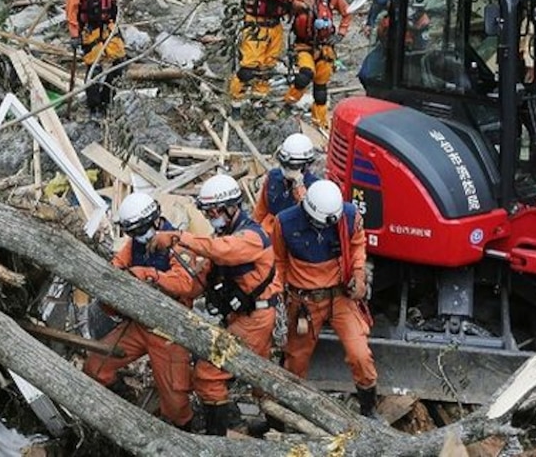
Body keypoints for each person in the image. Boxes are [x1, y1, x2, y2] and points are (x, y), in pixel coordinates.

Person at [148, 174, 283, 436]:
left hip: (255, 318)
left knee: (208, 374)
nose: (211, 218)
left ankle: (216, 438)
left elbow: (222, 250)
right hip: (244, 316)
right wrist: (158, 279)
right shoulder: (223, 235)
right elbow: (198, 280)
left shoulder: (250, 237)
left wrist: (177, 237)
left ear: (230, 207)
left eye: (213, 212)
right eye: (207, 213)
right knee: (260, 375)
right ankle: (274, 428)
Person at [83, 192, 206, 430]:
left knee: (175, 402)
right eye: (132, 233)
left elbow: (187, 284)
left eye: (139, 231)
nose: (136, 237)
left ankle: (187, 431)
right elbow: (117, 265)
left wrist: (149, 275)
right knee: (95, 368)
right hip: (138, 324)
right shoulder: (135, 244)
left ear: (155, 221)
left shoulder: (177, 243)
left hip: (169, 329)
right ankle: (124, 402)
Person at [271, 180, 379, 418]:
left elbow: (358, 244)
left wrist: (359, 275)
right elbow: (278, 261)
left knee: (360, 355)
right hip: (305, 303)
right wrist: (278, 298)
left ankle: (369, 411)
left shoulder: (349, 217)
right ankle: (287, 412)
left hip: (341, 297)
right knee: (295, 362)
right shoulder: (285, 223)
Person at [284, 0, 351, 128]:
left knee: (320, 88)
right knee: (305, 74)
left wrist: (340, 34)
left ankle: (319, 121)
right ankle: (289, 101)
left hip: (325, 46)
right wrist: (299, 5)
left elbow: (347, 13)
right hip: (303, 45)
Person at [65, 0, 127, 118]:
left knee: (120, 63)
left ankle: (107, 101)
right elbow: (71, 9)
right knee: (95, 70)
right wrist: (74, 34)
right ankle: (94, 107)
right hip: (90, 30)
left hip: (108, 26)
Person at [253, 133, 320, 234]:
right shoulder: (273, 178)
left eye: (292, 166)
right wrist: (253, 230)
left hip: (291, 239)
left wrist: (299, 187)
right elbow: (260, 212)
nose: (287, 169)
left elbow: (308, 222)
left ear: (306, 165)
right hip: (268, 234)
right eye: (284, 164)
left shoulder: (314, 189)